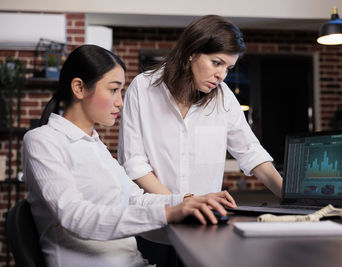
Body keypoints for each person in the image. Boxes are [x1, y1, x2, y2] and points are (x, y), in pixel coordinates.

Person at [22, 44, 236, 267]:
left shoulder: (96, 146)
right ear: (79, 88)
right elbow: (76, 217)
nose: (120, 102)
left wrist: (188, 201)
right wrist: (168, 214)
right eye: (114, 90)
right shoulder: (42, 141)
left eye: (121, 91)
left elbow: (136, 199)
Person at [118, 15, 283, 197]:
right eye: (217, 63)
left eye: (228, 68)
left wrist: (290, 197)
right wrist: (180, 204)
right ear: (192, 53)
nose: (222, 75)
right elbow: (134, 163)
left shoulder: (223, 96)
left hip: (203, 216)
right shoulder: (143, 88)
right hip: (151, 214)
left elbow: (251, 152)